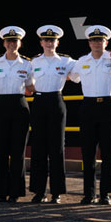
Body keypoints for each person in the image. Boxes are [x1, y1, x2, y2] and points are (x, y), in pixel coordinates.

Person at [68, 25, 111, 205]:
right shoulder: (81, 61)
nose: (96, 43)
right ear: (89, 42)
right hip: (88, 107)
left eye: (100, 40)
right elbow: (72, 76)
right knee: (88, 153)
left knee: (108, 153)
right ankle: (89, 193)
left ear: (106, 42)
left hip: (108, 106)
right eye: (93, 40)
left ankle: (105, 194)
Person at [0, 26, 35, 203]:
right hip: (1, 105)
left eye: (15, 41)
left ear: (20, 43)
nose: (11, 44)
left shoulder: (27, 64)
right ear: (4, 43)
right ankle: (0, 192)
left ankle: (15, 192)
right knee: (0, 150)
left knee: (18, 150)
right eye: (8, 41)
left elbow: (31, 87)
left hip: (20, 106)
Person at [28, 25, 75, 204]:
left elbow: (84, 69)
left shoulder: (66, 61)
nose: (49, 43)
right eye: (46, 40)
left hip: (56, 101)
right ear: (41, 42)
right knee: (38, 147)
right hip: (39, 101)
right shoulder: (33, 62)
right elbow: (27, 83)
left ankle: (57, 192)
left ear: (57, 42)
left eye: (52, 40)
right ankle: (39, 191)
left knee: (57, 148)